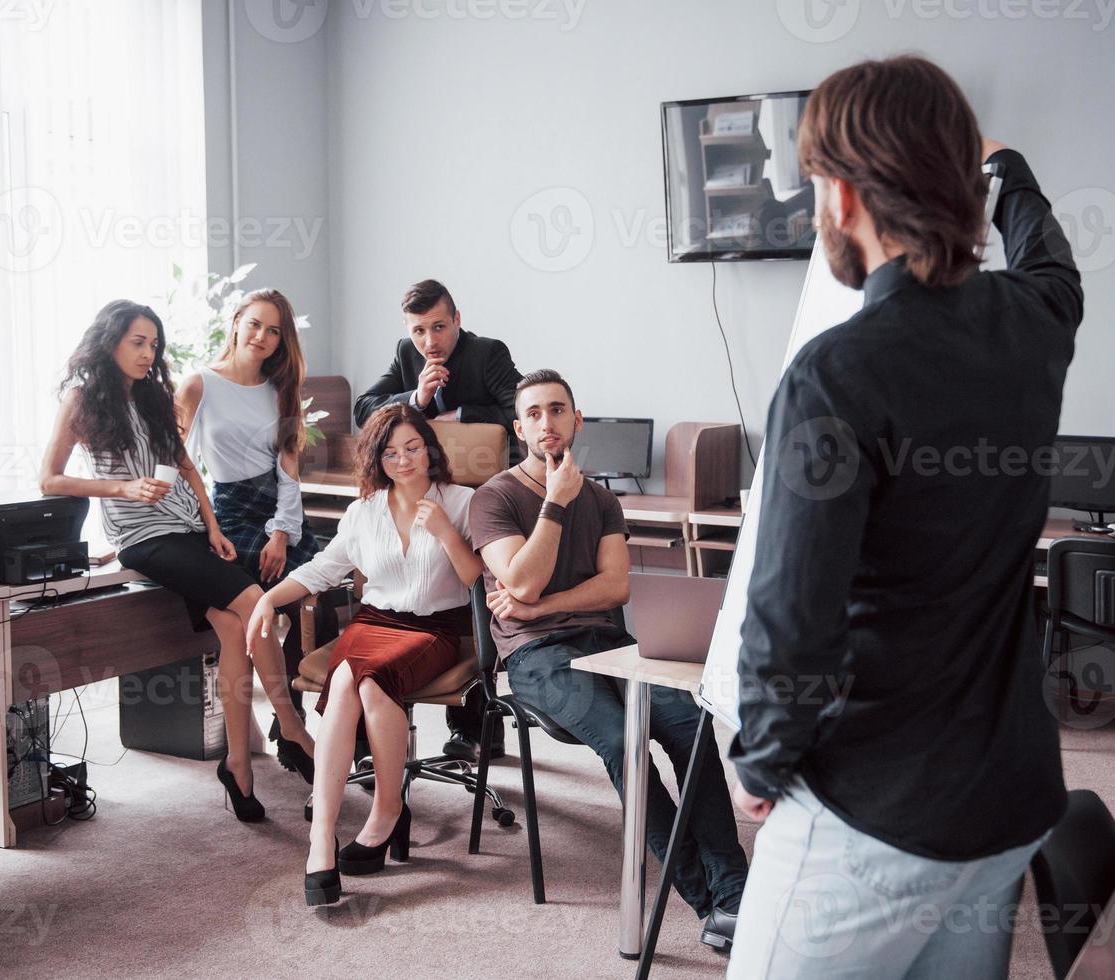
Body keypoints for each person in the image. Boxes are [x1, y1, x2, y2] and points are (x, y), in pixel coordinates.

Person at [725, 57, 1082, 979]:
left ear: (842, 194)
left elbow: (791, 617)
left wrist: (759, 765)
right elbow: (1053, 264)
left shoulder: (835, 373)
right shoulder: (1032, 322)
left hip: (868, 816)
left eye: (813, 189)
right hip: (1002, 804)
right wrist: (1005, 171)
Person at [470, 369, 748, 951]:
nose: (548, 422)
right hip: (537, 656)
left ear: (577, 420)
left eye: (559, 410)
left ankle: (736, 895)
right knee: (625, 743)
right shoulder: (494, 497)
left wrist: (538, 601)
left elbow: (615, 587)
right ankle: (706, 897)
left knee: (692, 727)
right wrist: (552, 503)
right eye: (536, 413)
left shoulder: (600, 497)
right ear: (519, 427)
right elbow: (519, 575)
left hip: (610, 646)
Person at [40, 299, 318, 823]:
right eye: (137, 343)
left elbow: (187, 467)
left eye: (153, 345)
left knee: (236, 631)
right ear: (110, 342)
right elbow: (49, 478)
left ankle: (237, 765)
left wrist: (213, 528)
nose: (148, 354)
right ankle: (294, 728)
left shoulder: (152, 396)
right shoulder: (81, 402)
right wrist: (120, 486)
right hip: (144, 538)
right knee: (257, 603)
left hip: (189, 531)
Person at [249, 403, 483, 907]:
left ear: (430, 448)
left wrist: (444, 530)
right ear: (376, 459)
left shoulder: (462, 502)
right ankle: (323, 838)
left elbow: (477, 581)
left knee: (367, 681)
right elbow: (323, 568)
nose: (403, 460)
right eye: (391, 452)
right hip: (373, 622)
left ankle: (385, 808)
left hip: (435, 628)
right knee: (350, 681)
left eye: (413, 448)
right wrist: (270, 597)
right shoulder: (363, 511)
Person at [355, 278, 522, 763]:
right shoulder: (406, 354)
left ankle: (476, 727)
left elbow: (519, 407)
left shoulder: (488, 353)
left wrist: (461, 415)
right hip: (427, 491)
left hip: (485, 496)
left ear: (458, 319)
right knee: (427, 596)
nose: (430, 341)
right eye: (420, 330)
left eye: (440, 327)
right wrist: (417, 400)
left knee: (474, 601)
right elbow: (364, 410)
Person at [176, 287, 340, 775]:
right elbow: (175, 461)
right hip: (229, 509)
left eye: (274, 330)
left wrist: (283, 532)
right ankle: (290, 730)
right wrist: (192, 526)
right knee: (273, 606)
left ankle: (295, 722)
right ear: (236, 322)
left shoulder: (281, 388)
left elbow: (289, 468)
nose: (263, 337)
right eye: (255, 324)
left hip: (279, 511)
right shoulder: (199, 384)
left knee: (319, 605)